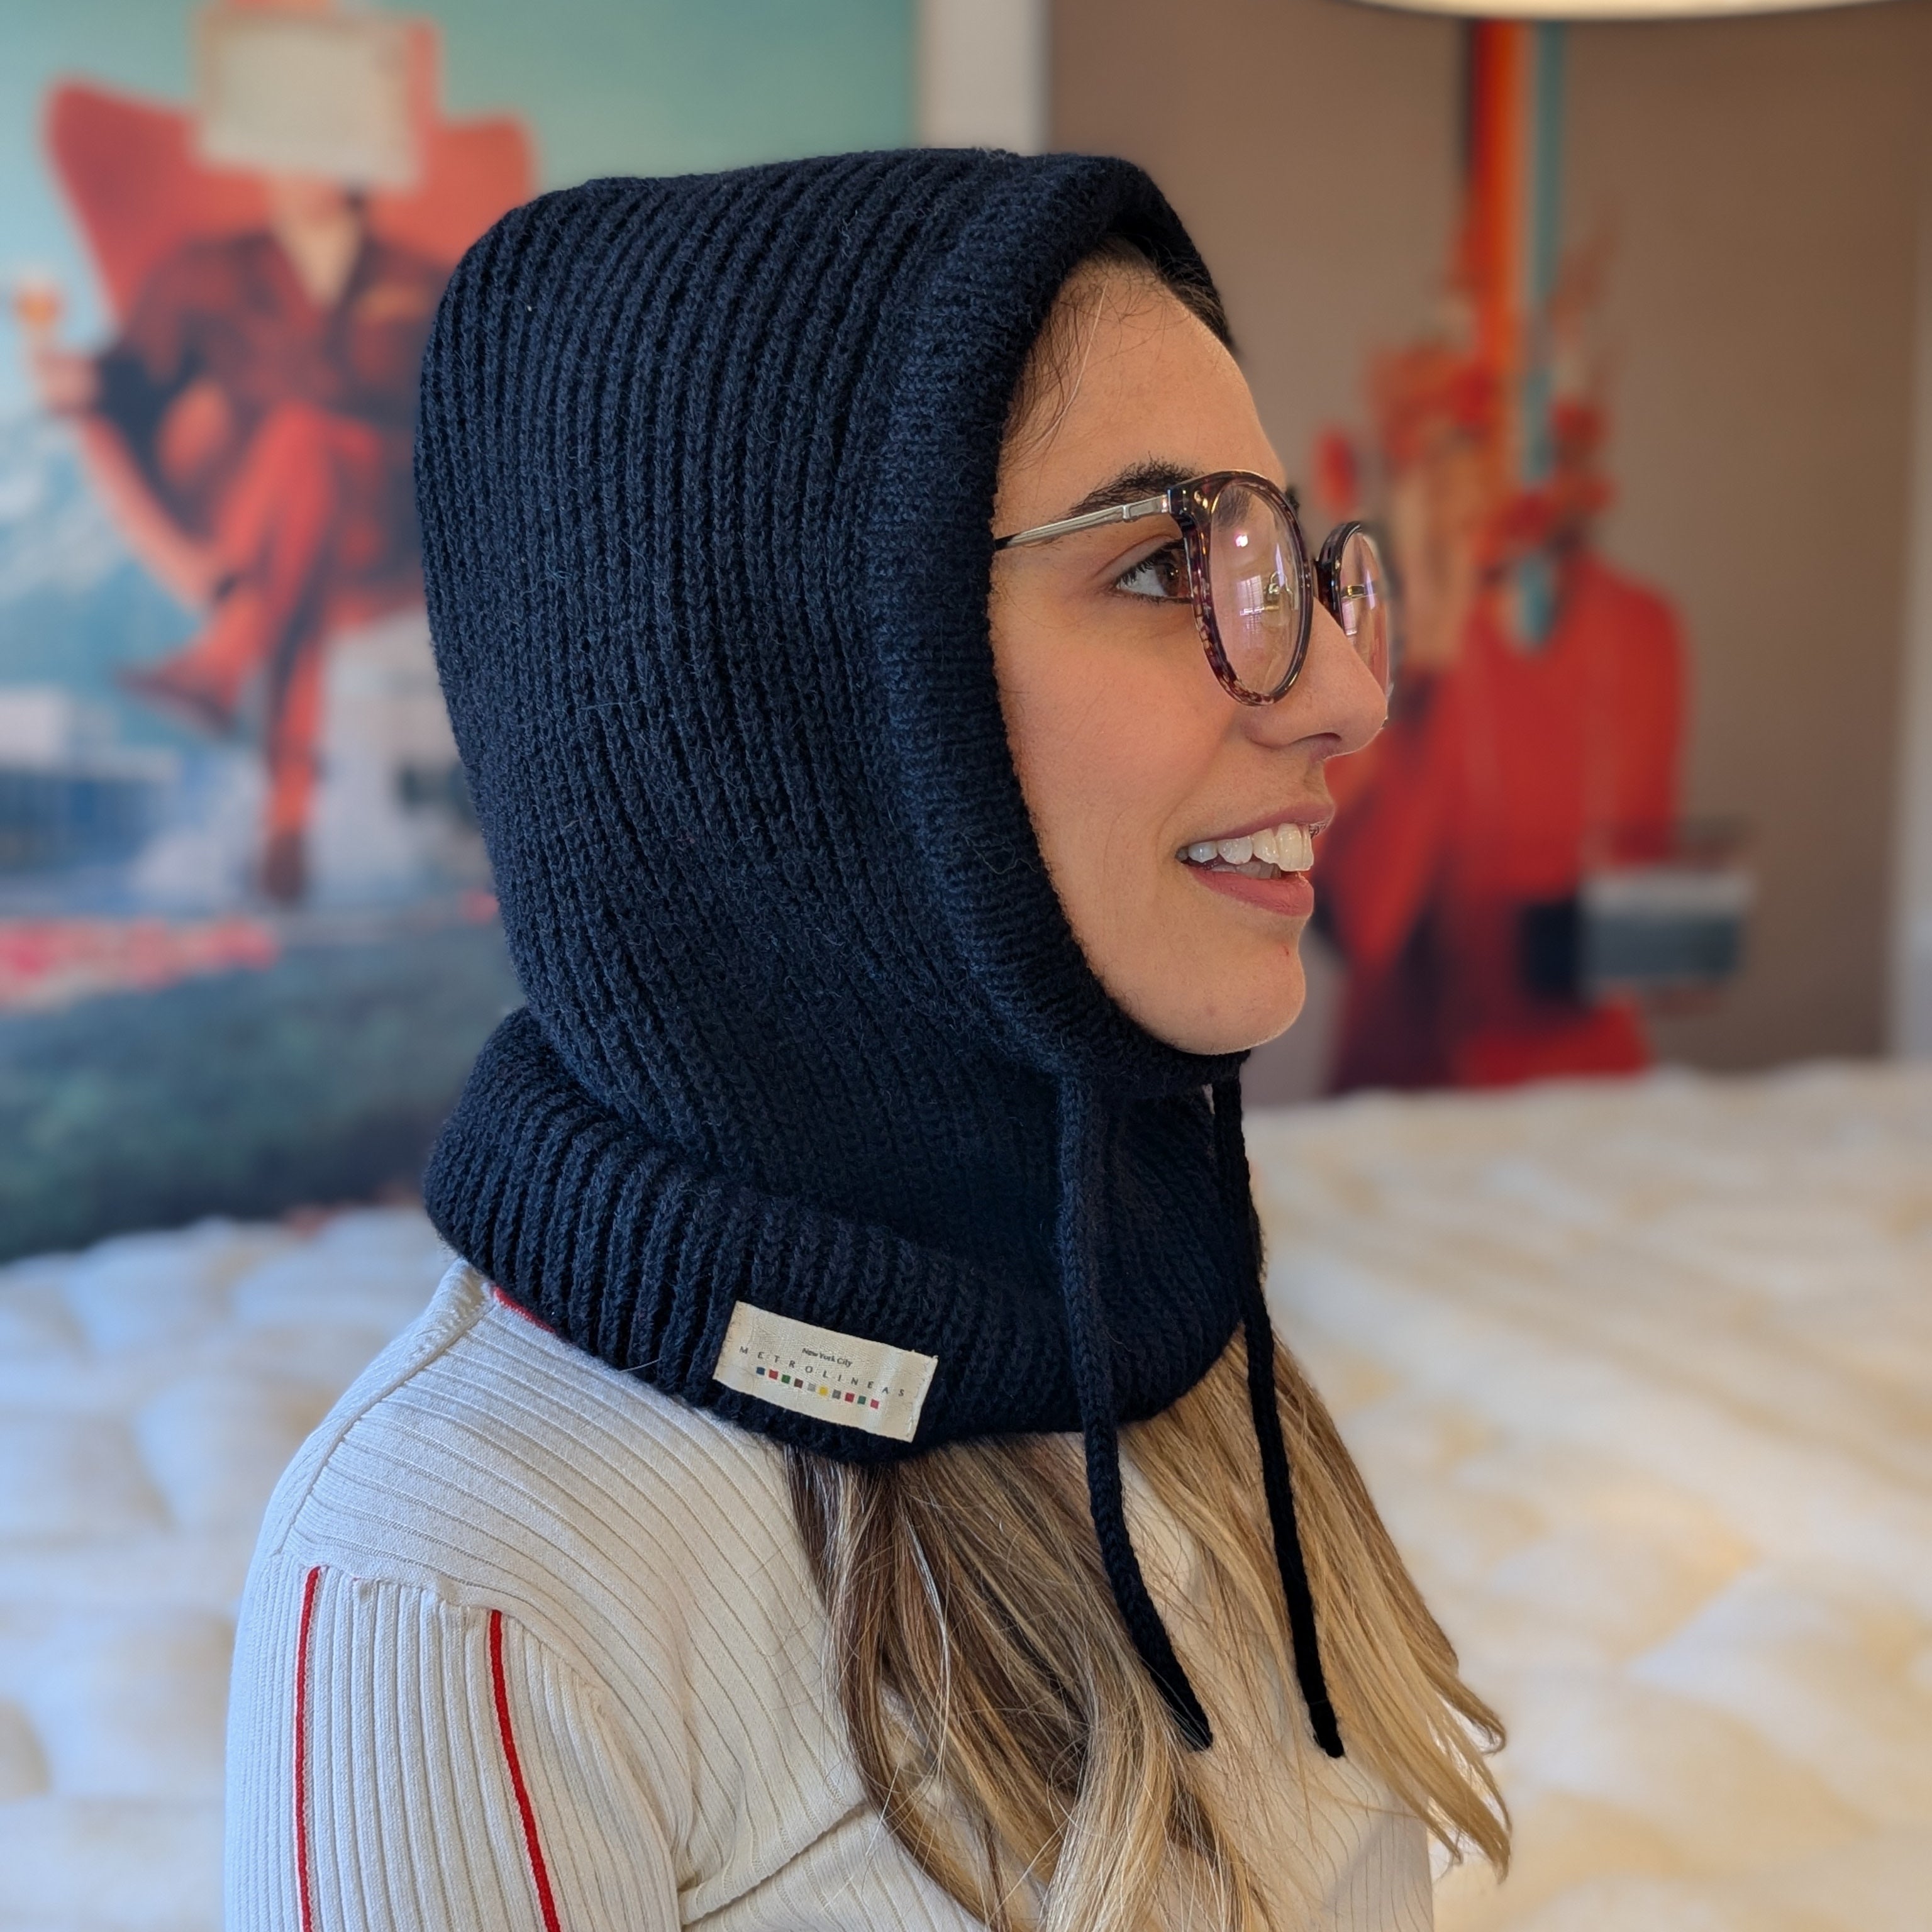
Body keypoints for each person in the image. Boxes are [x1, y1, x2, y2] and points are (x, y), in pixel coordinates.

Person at [227, 153, 1507, 1930]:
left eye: (1275, 556)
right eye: (1157, 564)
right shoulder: (453, 1581)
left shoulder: (1154, 1308)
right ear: (775, 670)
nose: (1347, 692)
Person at [31, 174, 443, 902]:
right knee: (300, 471)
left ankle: (227, 653)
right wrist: (84, 380)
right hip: (261, 508)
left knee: (308, 448)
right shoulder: (208, 268)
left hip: (385, 518)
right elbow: (138, 371)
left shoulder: (419, 277)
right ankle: (286, 822)